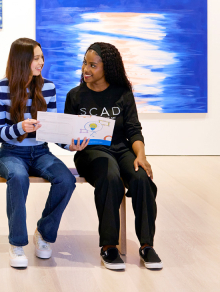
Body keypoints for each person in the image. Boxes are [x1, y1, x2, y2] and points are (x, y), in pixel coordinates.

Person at [64, 42, 161, 270]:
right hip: (90, 153)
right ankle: (109, 246)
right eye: (84, 63)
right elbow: (67, 136)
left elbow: (134, 130)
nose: (85, 69)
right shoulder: (75, 96)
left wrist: (141, 156)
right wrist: (71, 143)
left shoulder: (123, 94)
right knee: (110, 175)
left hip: (121, 148)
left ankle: (147, 245)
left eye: (92, 65)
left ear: (107, 68)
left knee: (141, 178)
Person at [0, 37, 77, 268]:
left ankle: (43, 233)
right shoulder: (0, 88)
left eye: (41, 57)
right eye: (35, 58)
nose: (41, 62)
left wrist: (71, 144)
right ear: (22, 60)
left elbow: (53, 130)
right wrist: (20, 127)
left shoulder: (48, 87)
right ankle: (17, 243)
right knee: (18, 177)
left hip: (40, 152)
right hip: (10, 153)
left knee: (66, 179)